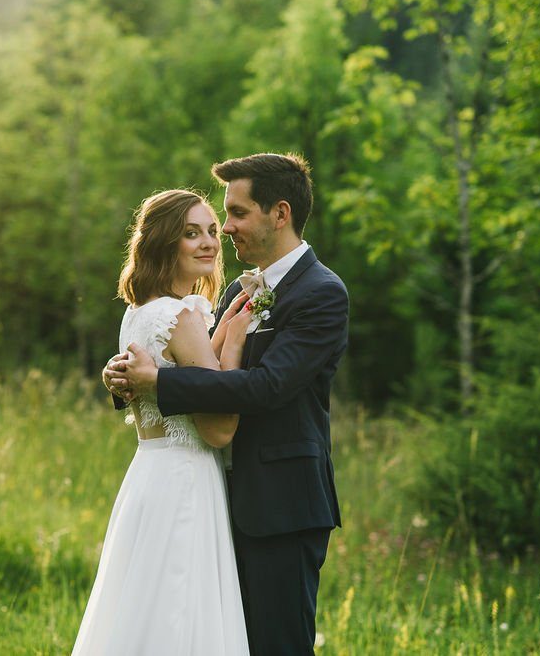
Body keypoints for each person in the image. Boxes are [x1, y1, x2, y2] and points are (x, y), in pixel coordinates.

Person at [105, 153, 348, 655]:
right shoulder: (238, 289)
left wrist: (159, 385)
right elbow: (201, 366)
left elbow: (265, 388)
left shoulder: (322, 294)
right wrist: (127, 375)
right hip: (214, 496)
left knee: (278, 645)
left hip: (281, 504)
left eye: (236, 215)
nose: (226, 231)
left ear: (278, 214)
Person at [72, 189, 252, 655]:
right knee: (180, 612)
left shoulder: (138, 314)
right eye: (191, 233)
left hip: (148, 476)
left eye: (213, 230)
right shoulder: (182, 316)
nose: (209, 242)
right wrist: (232, 345)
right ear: (164, 242)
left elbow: (178, 376)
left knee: (141, 608)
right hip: (187, 481)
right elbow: (220, 429)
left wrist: (219, 332)